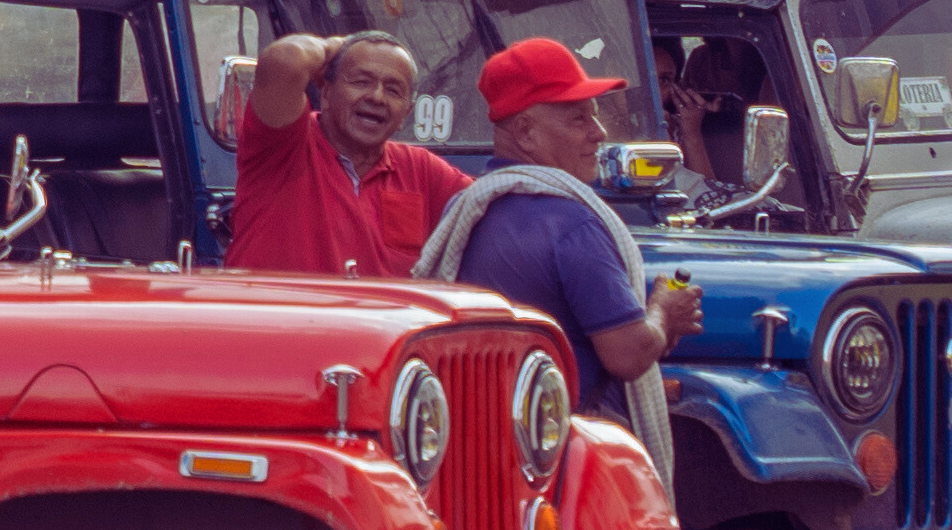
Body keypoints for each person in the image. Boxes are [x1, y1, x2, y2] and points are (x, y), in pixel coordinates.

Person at [411, 37, 699, 397]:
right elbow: (627, 356)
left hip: (482, 418)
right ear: (525, 133)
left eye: (594, 115)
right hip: (563, 424)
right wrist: (664, 312)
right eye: (579, 119)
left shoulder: (463, 207)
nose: (599, 132)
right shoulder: (572, 225)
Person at [224, 30, 470, 279]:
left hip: (378, 307)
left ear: (406, 114)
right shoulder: (283, 145)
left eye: (393, 90)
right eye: (361, 82)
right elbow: (285, 58)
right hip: (276, 305)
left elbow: (486, 209)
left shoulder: (422, 171)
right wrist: (334, 46)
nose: (377, 97)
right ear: (326, 93)